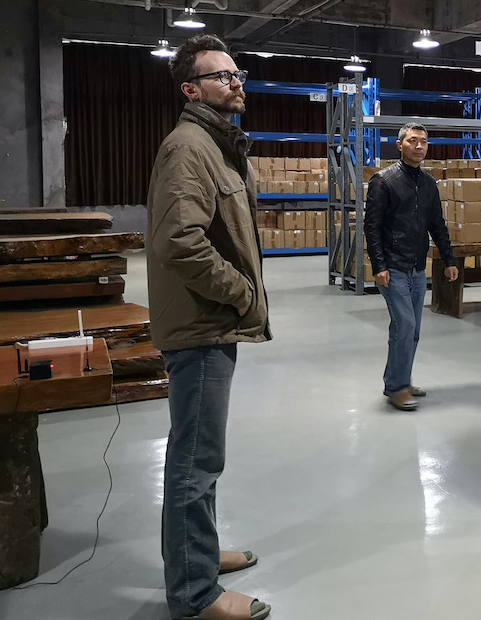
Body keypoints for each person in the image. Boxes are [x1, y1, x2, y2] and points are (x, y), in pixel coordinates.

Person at [147, 34, 272, 620]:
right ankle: (194, 595)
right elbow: (180, 241)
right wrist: (242, 293)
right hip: (201, 325)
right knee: (195, 460)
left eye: (238, 74)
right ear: (191, 89)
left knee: (204, 456)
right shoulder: (189, 148)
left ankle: (200, 554)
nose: (236, 83)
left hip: (212, 323)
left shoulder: (217, 144)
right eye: (221, 76)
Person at [364, 122, 459, 411]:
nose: (419, 147)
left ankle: (402, 380)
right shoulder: (384, 180)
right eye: (413, 141)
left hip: (418, 267)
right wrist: (378, 265)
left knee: (413, 328)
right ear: (400, 145)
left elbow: (437, 225)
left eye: (424, 142)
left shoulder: (428, 184)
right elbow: (372, 226)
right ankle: (395, 388)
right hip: (392, 267)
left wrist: (448, 260)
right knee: (404, 325)